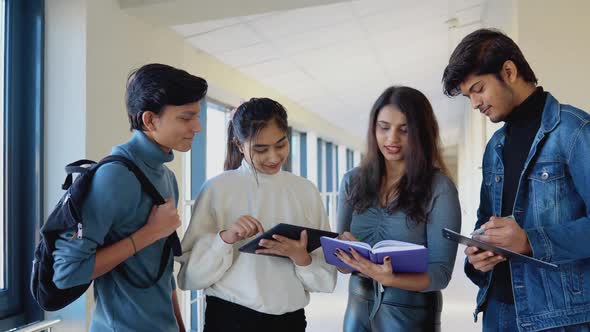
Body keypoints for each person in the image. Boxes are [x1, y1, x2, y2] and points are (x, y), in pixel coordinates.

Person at [443, 28, 590, 331]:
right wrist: (477, 255)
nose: (474, 103)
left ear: (508, 71)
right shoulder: (495, 146)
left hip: (558, 319)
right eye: (469, 95)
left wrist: (529, 241)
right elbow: (486, 222)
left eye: (478, 89)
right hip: (497, 312)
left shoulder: (574, 131)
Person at [52, 63, 207, 331]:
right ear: (149, 119)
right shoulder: (114, 176)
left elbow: (162, 268)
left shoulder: (166, 177)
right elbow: (66, 274)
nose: (198, 127)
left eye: (197, 116)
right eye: (186, 117)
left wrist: (180, 326)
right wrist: (151, 232)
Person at [176, 97, 336, 332]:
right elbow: (190, 278)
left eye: (281, 145)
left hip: (289, 321)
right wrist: (225, 239)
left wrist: (301, 258)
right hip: (229, 319)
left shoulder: (306, 191)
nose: (273, 157)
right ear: (239, 145)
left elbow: (326, 280)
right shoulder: (217, 189)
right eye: (260, 149)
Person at [334, 86, 461, 332]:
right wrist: (344, 253)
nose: (392, 139)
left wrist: (390, 278)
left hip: (410, 314)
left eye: (405, 130)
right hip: (358, 309)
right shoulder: (352, 181)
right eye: (384, 127)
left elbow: (441, 273)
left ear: (422, 133)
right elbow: (341, 265)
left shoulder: (439, 187)